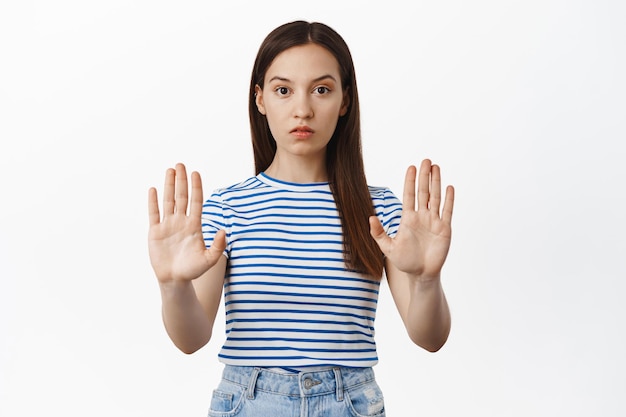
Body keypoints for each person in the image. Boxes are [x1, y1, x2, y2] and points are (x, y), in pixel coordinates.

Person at [148, 20, 454, 417]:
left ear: (345, 101)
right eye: (283, 90)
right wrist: (172, 284)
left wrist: (428, 280)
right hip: (249, 402)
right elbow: (191, 339)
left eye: (322, 90)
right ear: (260, 99)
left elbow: (429, 337)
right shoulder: (227, 208)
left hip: (351, 404)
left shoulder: (379, 211)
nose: (303, 109)